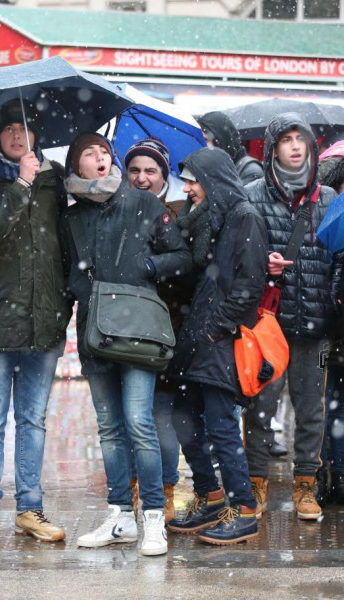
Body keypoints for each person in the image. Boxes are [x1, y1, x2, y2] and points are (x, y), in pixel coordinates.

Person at [61, 132, 191, 556]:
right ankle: (120, 516)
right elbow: (68, 273)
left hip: (138, 332)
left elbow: (182, 259)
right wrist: (86, 288)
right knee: (110, 430)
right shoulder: (73, 217)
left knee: (139, 423)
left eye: (103, 152)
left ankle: (153, 517)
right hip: (95, 333)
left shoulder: (143, 204)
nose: (98, 159)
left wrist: (148, 266)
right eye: (88, 154)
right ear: (76, 167)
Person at [0, 99, 70, 544]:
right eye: (8, 128)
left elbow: (64, 241)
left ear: (36, 135)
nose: (17, 135)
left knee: (33, 420)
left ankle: (30, 508)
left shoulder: (55, 180)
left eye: (24, 127)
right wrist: (20, 184)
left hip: (42, 318)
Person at [243, 113, 342, 521]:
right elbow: (237, 254)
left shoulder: (327, 200)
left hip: (316, 327)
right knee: (260, 406)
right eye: (286, 139)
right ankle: (255, 482)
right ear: (273, 148)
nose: (296, 146)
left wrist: (333, 298)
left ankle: (306, 484)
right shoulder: (251, 196)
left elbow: (339, 257)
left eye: (301, 139)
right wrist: (262, 264)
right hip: (269, 323)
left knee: (311, 408)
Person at [168, 147, 268, 545]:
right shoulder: (219, 217)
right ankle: (210, 496)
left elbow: (249, 284)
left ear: (212, 180)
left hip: (220, 341)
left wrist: (217, 328)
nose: (188, 188)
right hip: (201, 340)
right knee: (184, 417)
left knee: (222, 426)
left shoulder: (245, 216)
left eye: (194, 180)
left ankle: (243, 508)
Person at [123, 137, 191, 520]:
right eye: (134, 170)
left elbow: (186, 271)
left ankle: (165, 489)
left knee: (159, 415)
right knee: (130, 417)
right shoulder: (114, 210)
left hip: (165, 332)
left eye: (150, 171)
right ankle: (134, 486)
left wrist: (151, 268)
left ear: (164, 176)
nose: (142, 177)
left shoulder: (177, 216)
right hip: (121, 330)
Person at [315, 146, 344, 506]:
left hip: (330, 337)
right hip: (333, 338)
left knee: (331, 405)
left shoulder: (330, 217)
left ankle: (331, 475)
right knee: (331, 405)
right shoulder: (335, 218)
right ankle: (333, 475)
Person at [197, 111, 264, 184]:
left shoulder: (250, 171)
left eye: (205, 140)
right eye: (199, 140)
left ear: (220, 139)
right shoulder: (210, 166)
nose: (202, 145)